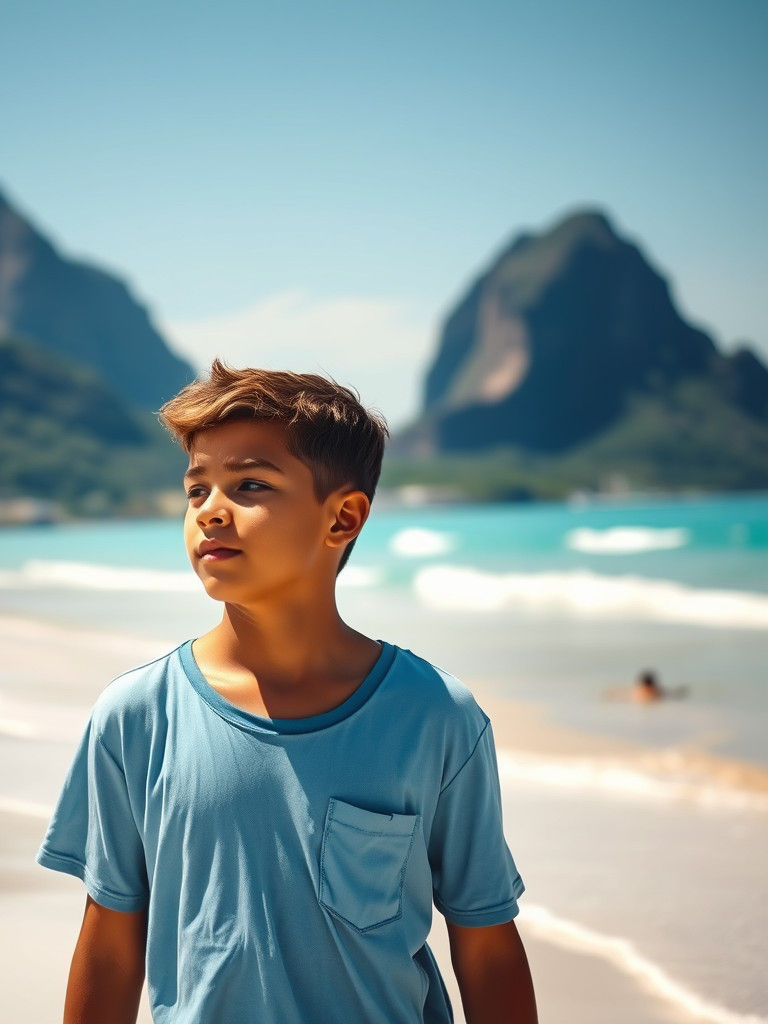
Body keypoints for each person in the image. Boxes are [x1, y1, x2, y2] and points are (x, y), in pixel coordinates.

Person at [37, 359, 537, 1024]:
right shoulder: (134, 718)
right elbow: (111, 943)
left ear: (342, 519)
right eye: (196, 491)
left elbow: (485, 942)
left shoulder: (435, 716)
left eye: (248, 485)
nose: (211, 511)